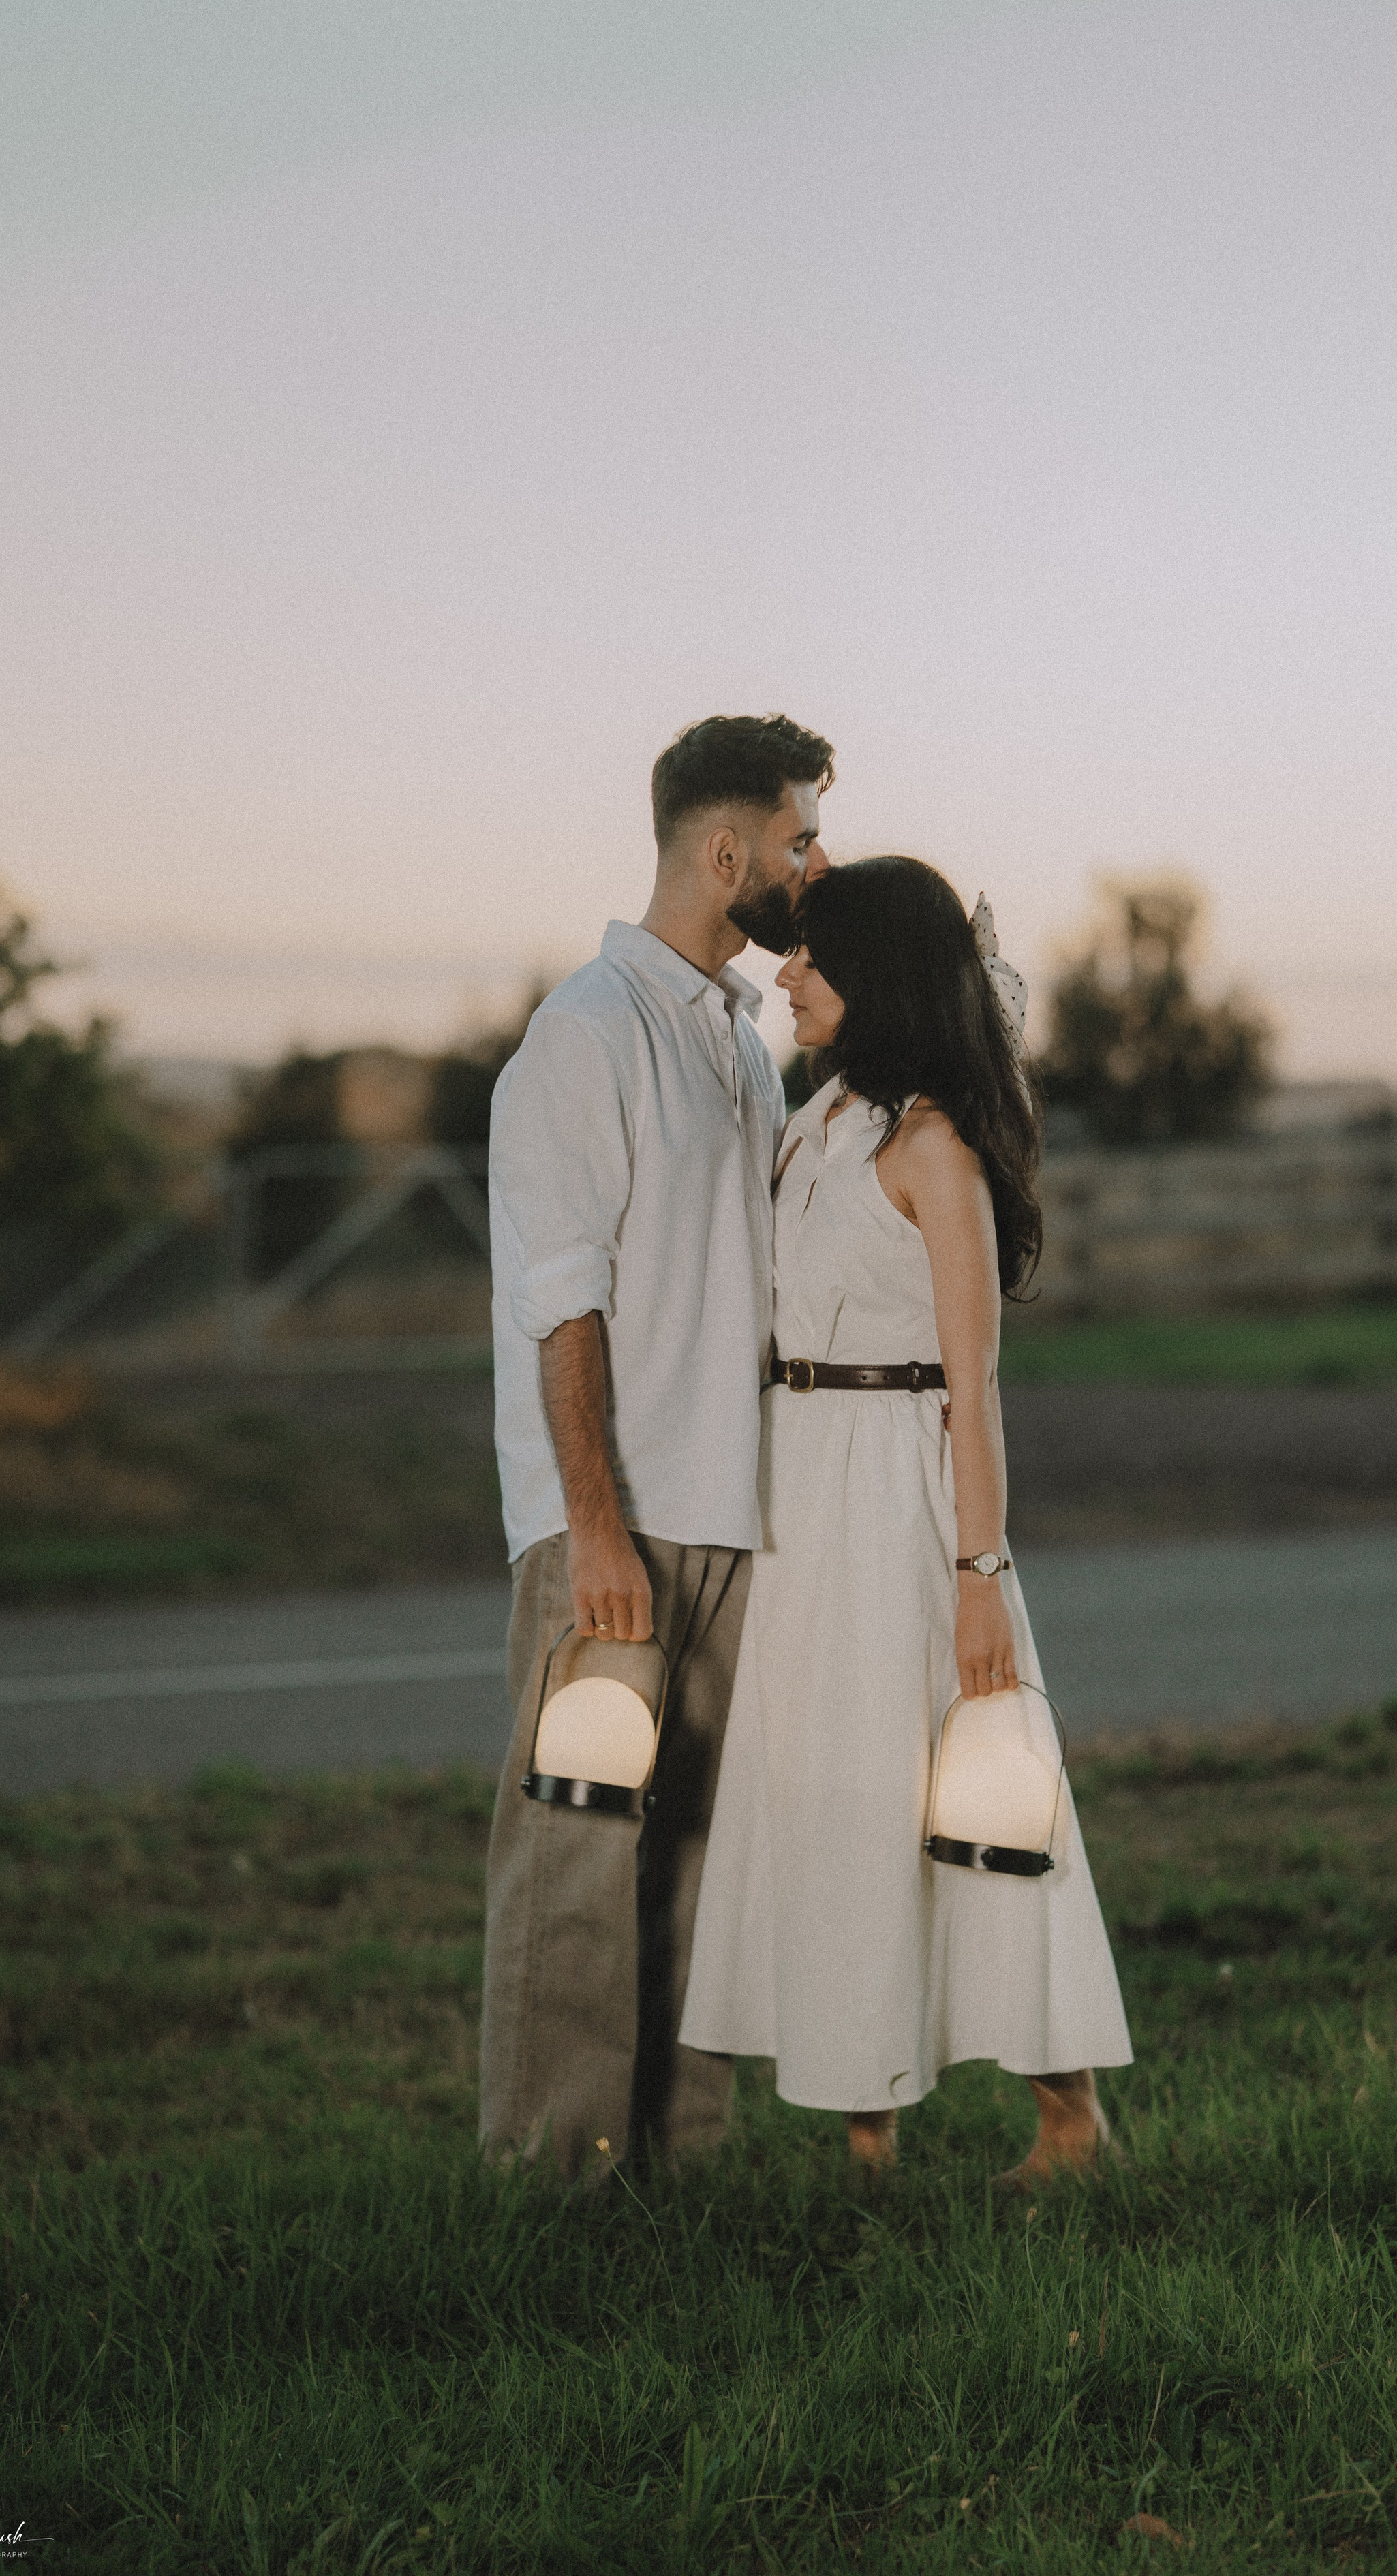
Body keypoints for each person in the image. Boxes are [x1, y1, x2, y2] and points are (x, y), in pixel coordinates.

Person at [679, 856, 1132, 2178]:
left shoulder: (933, 1145)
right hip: (802, 1489)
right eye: (789, 951)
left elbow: (972, 1384)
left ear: (876, 974)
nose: (785, 972)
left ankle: (1068, 2117)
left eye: (814, 956)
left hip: (904, 1499)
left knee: (969, 1800)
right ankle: (861, 2123)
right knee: (825, 1797)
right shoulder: (812, 1122)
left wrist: (978, 1573)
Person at [481, 711, 835, 2179]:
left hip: (732, 1515)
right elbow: (559, 1303)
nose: (818, 864)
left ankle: (678, 2171)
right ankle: (551, 2188)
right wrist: (595, 1525)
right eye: (804, 838)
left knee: (697, 1857)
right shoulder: (582, 1035)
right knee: (577, 1857)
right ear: (724, 850)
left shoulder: (743, 1042)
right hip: (611, 1526)